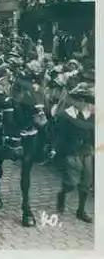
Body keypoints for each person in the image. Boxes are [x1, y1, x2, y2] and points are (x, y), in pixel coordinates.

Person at [55, 88, 94, 223]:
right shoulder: (65, 115)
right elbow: (59, 136)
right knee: (71, 182)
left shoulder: (89, 114)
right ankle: (63, 194)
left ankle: (81, 210)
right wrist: (60, 153)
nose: (84, 103)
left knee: (86, 181)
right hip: (71, 150)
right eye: (80, 100)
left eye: (85, 100)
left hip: (86, 149)